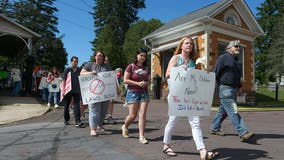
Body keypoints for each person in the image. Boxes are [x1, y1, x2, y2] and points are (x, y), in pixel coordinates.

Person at [162, 36, 219, 160]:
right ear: (181, 46)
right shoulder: (176, 58)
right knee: (173, 121)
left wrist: (205, 75)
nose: (189, 45)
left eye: (191, 44)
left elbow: (195, 79)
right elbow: (166, 75)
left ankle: (202, 151)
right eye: (186, 43)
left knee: (195, 122)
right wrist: (177, 69)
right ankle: (166, 145)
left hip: (190, 96)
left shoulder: (193, 61)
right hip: (176, 96)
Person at [209, 40, 254, 142]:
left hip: (233, 90)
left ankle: (214, 128)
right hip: (225, 89)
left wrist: (240, 88)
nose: (238, 48)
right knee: (233, 110)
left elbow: (237, 77)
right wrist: (209, 84)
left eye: (239, 47)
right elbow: (215, 72)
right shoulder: (223, 58)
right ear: (229, 48)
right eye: (236, 46)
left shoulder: (236, 62)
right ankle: (243, 132)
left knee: (223, 111)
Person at [121, 48, 150, 144]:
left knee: (142, 114)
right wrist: (137, 83)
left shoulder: (147, 68)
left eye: (144, 56)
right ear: (137, 56)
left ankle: (141, 136)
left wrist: (146, 83)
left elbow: (149, 80)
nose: (143, 57)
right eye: (141, 55)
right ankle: (125, 126)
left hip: (144, 92)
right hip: (133, 92)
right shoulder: (131, 66)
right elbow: (125, 80)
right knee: (133, 115)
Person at [80, 51, 113, 136]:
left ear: (103, 58)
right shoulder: (90, 65)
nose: (99, 57)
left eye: (101, 56)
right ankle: (93, 129)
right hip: (93, 93)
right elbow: (81, 73)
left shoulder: (107, 66)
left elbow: (112, 78)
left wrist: (115, 89)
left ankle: (100, 125)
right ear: (95, 57)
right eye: (98, 56)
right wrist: (90, 73)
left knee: (103, 111)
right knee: (94, 110)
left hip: (104, 92)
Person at [61, 56, 82, 127]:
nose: (76, 63)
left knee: (77, 106)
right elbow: (64, 80)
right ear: (71, 62)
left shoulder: (79, 70)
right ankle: (66, 119)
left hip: (77, 90)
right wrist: (63, 90)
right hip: (68, 90)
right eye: (74, 61)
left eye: (77, 61)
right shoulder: (67, 70)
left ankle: (77, 121)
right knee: (66, 105)